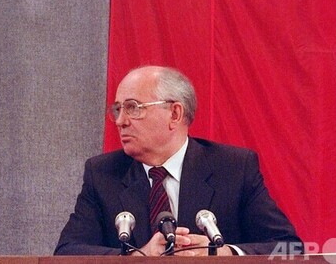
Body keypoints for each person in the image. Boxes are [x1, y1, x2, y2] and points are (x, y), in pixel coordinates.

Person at [55, 66, 302, 256]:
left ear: (174, 113)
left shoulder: (233, 168)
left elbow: (289, 248)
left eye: (133, 108)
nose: (120, 121)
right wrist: (137, 257)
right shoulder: (103, 173)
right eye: (118, 109)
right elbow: (67, 252)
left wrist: (224, 253)